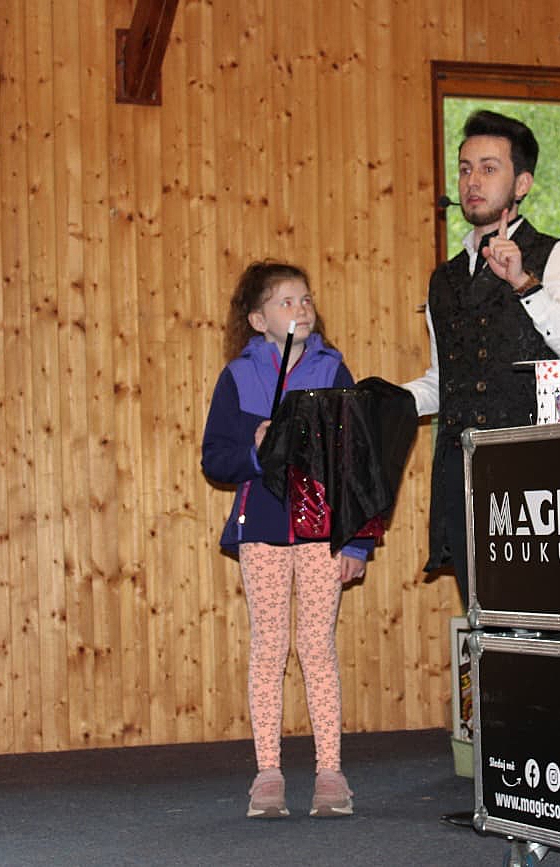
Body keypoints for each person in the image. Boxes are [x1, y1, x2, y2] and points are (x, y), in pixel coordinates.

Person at [404, 110, 560, 606]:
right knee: (485, 620)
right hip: (463, 472)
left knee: (541, 617)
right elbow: (443, 381)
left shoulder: (554, 255)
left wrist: (523, 284)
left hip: (536, 472)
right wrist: (382, 402)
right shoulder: (443, 279)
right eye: (465, 168)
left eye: (489, 168)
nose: (473, 181)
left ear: (522, 184)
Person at [201, 260, 368, 820]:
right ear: (257, 320)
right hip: (263, 531)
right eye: (286, 301)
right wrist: (254, 449)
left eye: (306, 299)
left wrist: (356, 543)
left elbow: (356, 463)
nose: (301, 308)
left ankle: (330, 773)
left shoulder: (332, 369)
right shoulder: (238, 376)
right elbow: (215, 459)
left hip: (321, 533)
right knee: (269, 648)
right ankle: (267, 774)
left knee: (317, 648)